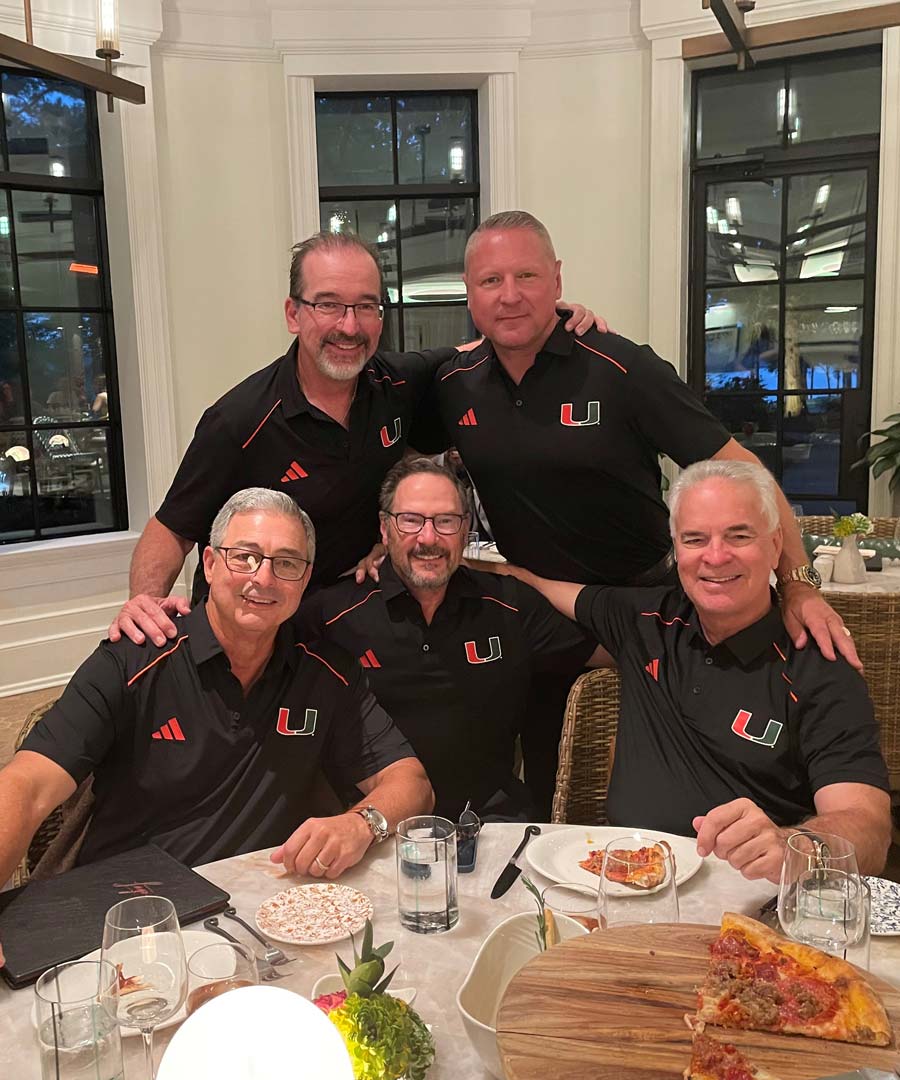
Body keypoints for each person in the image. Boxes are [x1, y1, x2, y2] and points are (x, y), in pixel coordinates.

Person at [111, 231, 601, 647]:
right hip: (260, 623)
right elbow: (171, 526)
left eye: (366, 307)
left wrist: (551, 318)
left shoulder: (400, 383)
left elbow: (487, 345)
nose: (349, 326)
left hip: (356, 610)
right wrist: (145, 605)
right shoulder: (239, 419)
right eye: (328, 305)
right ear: (293, 313)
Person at [0, 487, 433, 897]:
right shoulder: (132, 660)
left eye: (286, 563)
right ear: (209, 564)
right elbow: (26, 785)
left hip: (256, 907)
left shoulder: (325, 674)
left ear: (304, 581)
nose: (263, 578)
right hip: (127, 912)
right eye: (244, 557)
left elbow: (411, 783)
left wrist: (361, 824)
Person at [504, 460, 891, 882]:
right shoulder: (645, 619)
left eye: (739, 535)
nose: (716, 556)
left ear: (776, 545)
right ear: (676, 548)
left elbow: (868, 830)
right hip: (620, 883)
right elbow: (531, 585)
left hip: (745, 899)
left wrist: (791, 846)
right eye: (695, 539)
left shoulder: (816, 665)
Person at [295, 457, 606, 822]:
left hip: (491, 821)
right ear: (384, 529)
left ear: (465, 528)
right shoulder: (331, 616)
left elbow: (618, 651)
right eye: (410, 520)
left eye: (445, 521)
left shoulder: (509, 605)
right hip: (373, 827)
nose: (429, 539)